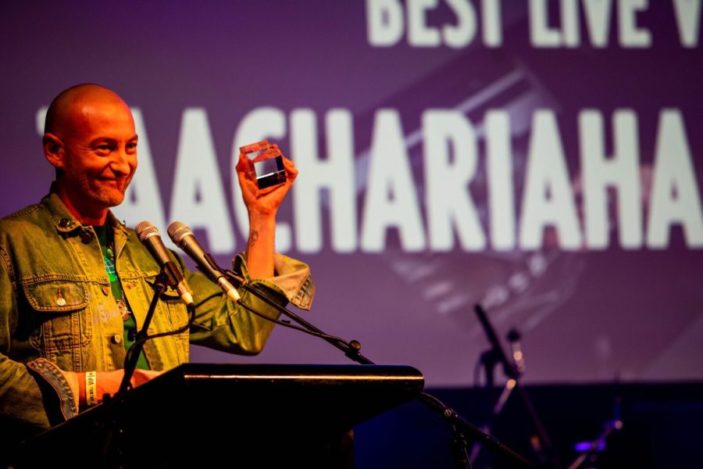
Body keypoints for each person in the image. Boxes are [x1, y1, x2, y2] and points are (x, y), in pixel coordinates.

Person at [0, 84, 314, 445]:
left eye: (130, 147)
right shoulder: (12, 244)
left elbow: (244, 328)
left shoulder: (151, 255)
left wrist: (262, 215)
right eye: (104, 148)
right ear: (55, 151)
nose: (123, 165)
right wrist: (92, 387)